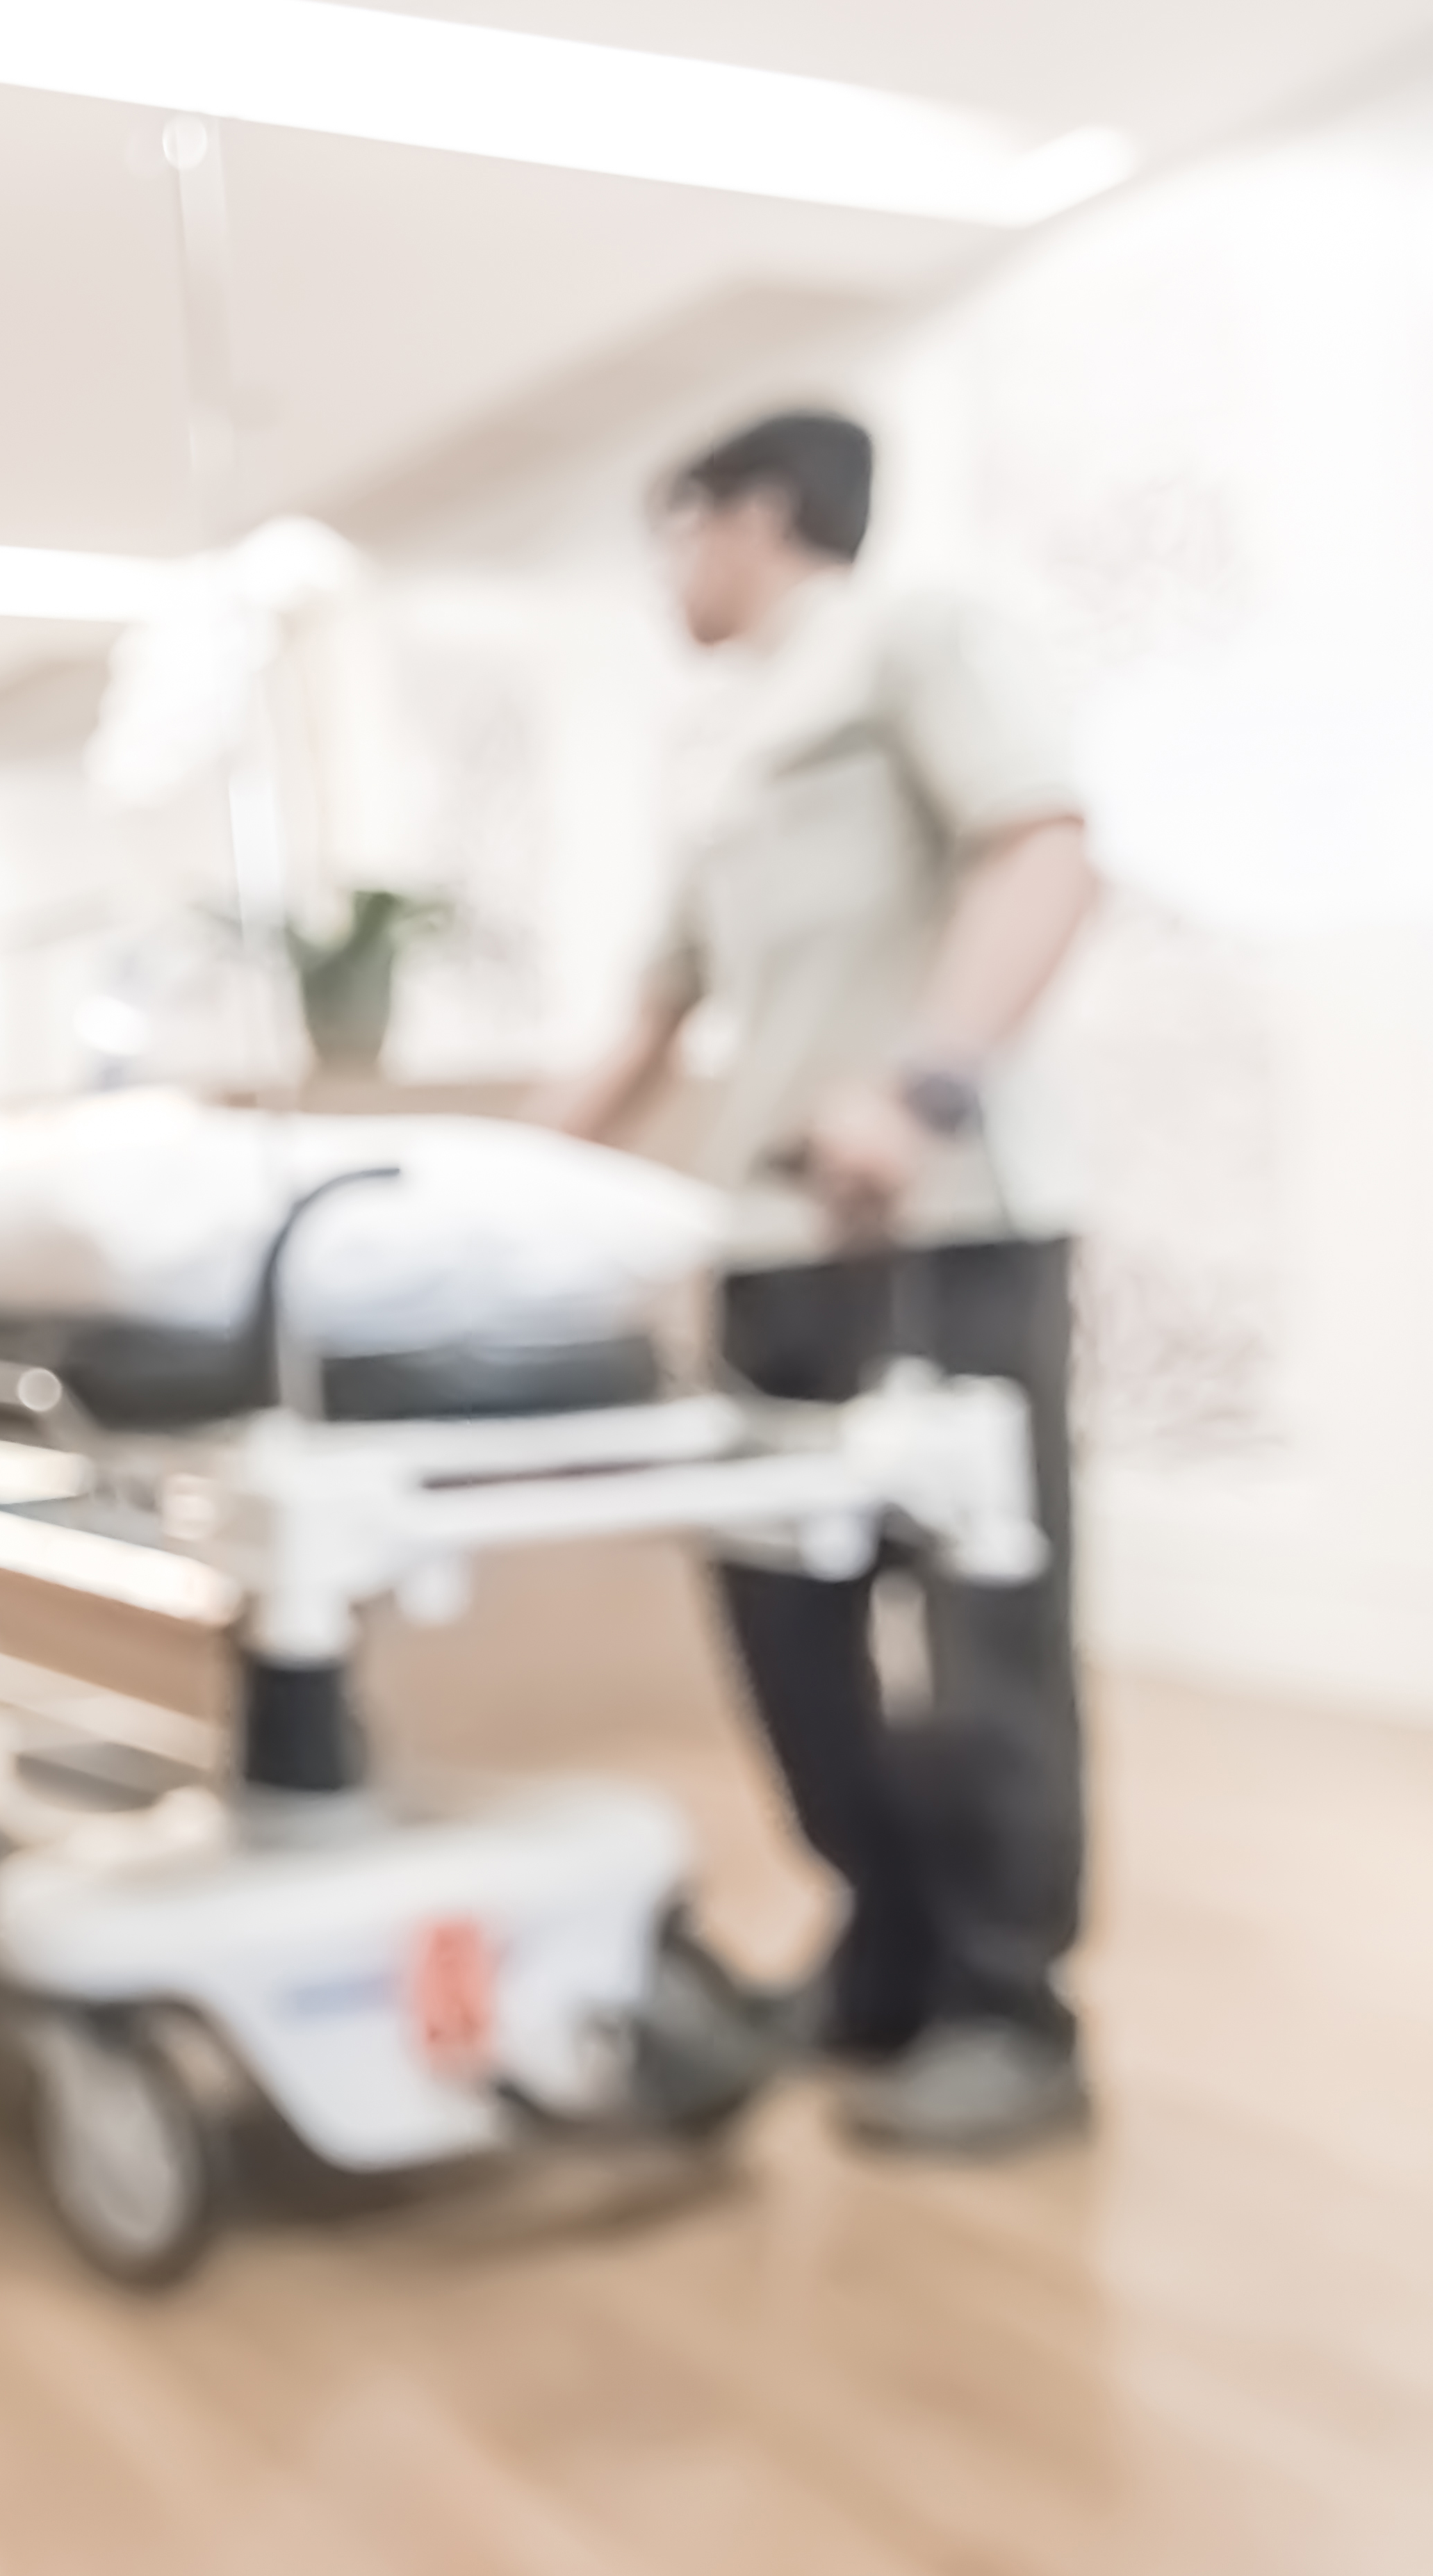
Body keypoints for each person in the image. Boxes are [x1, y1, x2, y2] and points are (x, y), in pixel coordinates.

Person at [542, 409, 1104, 2158]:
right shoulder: (721, 741)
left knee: (973, 1629)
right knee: (787, 1621)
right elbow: (655, 1006)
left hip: (934, 1226)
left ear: (759, 516)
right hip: (766, 1243)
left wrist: (920, 1085)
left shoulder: (913, 635)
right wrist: (500, 1191)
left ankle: (1012, 2007)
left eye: (677, 535)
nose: (668, 580)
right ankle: (880, 1950)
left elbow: (1044, 847)